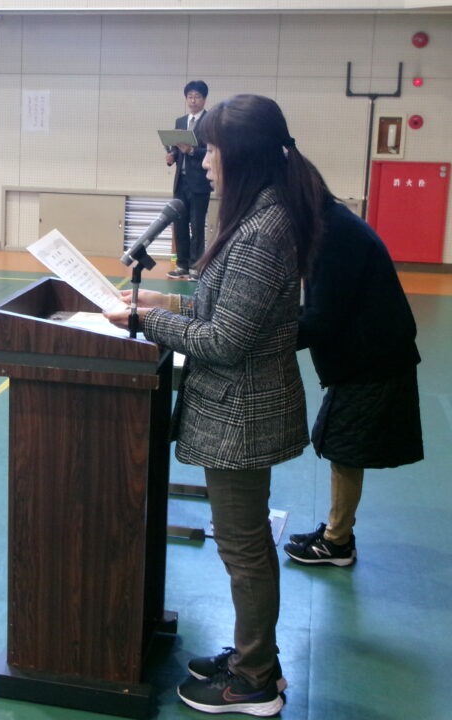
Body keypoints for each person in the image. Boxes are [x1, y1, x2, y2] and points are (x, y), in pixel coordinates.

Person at [107, 94, 324, 716]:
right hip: (241, 407)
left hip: (242, 413)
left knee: (243, 548)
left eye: (212, 151)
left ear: (242, 155)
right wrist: (161, 306)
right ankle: (256, 659)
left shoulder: (261, 231)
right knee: (244, 544)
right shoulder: (260, 214)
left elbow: (226, 340)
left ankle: (253, 682)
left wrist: (145, 322)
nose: (203, 163)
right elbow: (223, 311)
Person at [284, 171, 423, 568]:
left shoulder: (333, 235)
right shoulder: (331, 223)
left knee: (343, 448)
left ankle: (337, 542)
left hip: (373, 360)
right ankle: (337, 532)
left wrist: (260, 338)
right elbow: (321, 309)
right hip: (371, 356)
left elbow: (321, 319)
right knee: (342, 447)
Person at [165, 80, 213, 281]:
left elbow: (212, 150)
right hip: (181, 181)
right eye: (190, 97)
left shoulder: (210, 121)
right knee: (180, 223)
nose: (193, 100)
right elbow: (176, 148)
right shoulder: (180, 121)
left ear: (204, 99)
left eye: (197, 97)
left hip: (200, 182)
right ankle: (182, 265)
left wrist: (192, 150)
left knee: (197, 224)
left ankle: (196, 266)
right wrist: (172, 156)